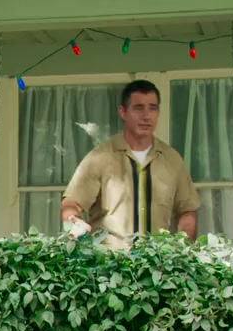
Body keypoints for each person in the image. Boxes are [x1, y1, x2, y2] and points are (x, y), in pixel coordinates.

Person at [60, 79, 200, 249]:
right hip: (110, 260)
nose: (146, 116)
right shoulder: (100, 157)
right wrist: (75, 224)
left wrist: (183, 247)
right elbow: (72, 204)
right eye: (138, 108)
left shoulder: (172, 160)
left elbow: (187, 209)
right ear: (123, 112)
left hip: (158, 261)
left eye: (152, 108)